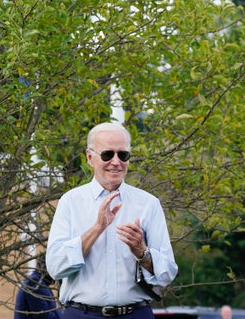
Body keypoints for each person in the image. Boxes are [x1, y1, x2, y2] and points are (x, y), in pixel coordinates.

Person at [46, 122, 178, 319]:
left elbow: (167, 273)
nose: (116, 162)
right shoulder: (70, 202)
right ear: (90, 157)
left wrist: (142, 252)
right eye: (107, 154)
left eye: (123, 155)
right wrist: (97, 228)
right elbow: (55, 267)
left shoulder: (148, 204)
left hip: (135, 313)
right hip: (81, 314)